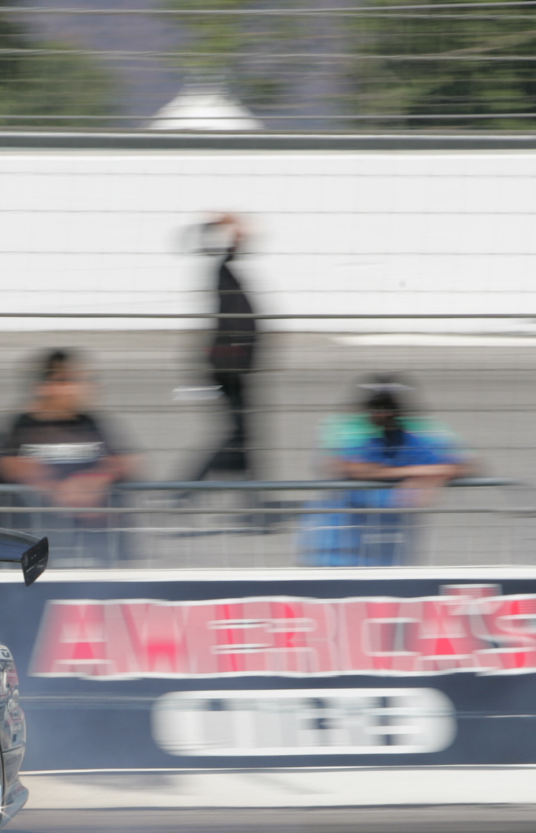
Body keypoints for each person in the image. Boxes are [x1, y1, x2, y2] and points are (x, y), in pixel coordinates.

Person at [302, 376, 473, 568]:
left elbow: (462, 465)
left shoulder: (418, 435)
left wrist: (433, 478)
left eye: (390, 408)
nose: (384, 414)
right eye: (378, 407)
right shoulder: (343, 428)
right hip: (335, 551)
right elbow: (349, 467)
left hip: (389, 555)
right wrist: (422, 473)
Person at [0, 351, 137, 538]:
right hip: (37, 539)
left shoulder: (91, 423)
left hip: (94, 542)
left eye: (86, 381)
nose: (85, 388)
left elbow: (126, 461)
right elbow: (8, 464)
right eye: (72, 381)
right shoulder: (20, 426)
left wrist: (94, 481)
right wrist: (57, 492)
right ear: (44, 387)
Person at [187, 213, 261, 480]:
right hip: (229, 366)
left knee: (243, 433)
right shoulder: (222, 272)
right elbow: (230, 248)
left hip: (236, 366)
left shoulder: (225, 273)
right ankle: (186, 486)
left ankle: (255, 499)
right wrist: (227, 223)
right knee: (239, 433)